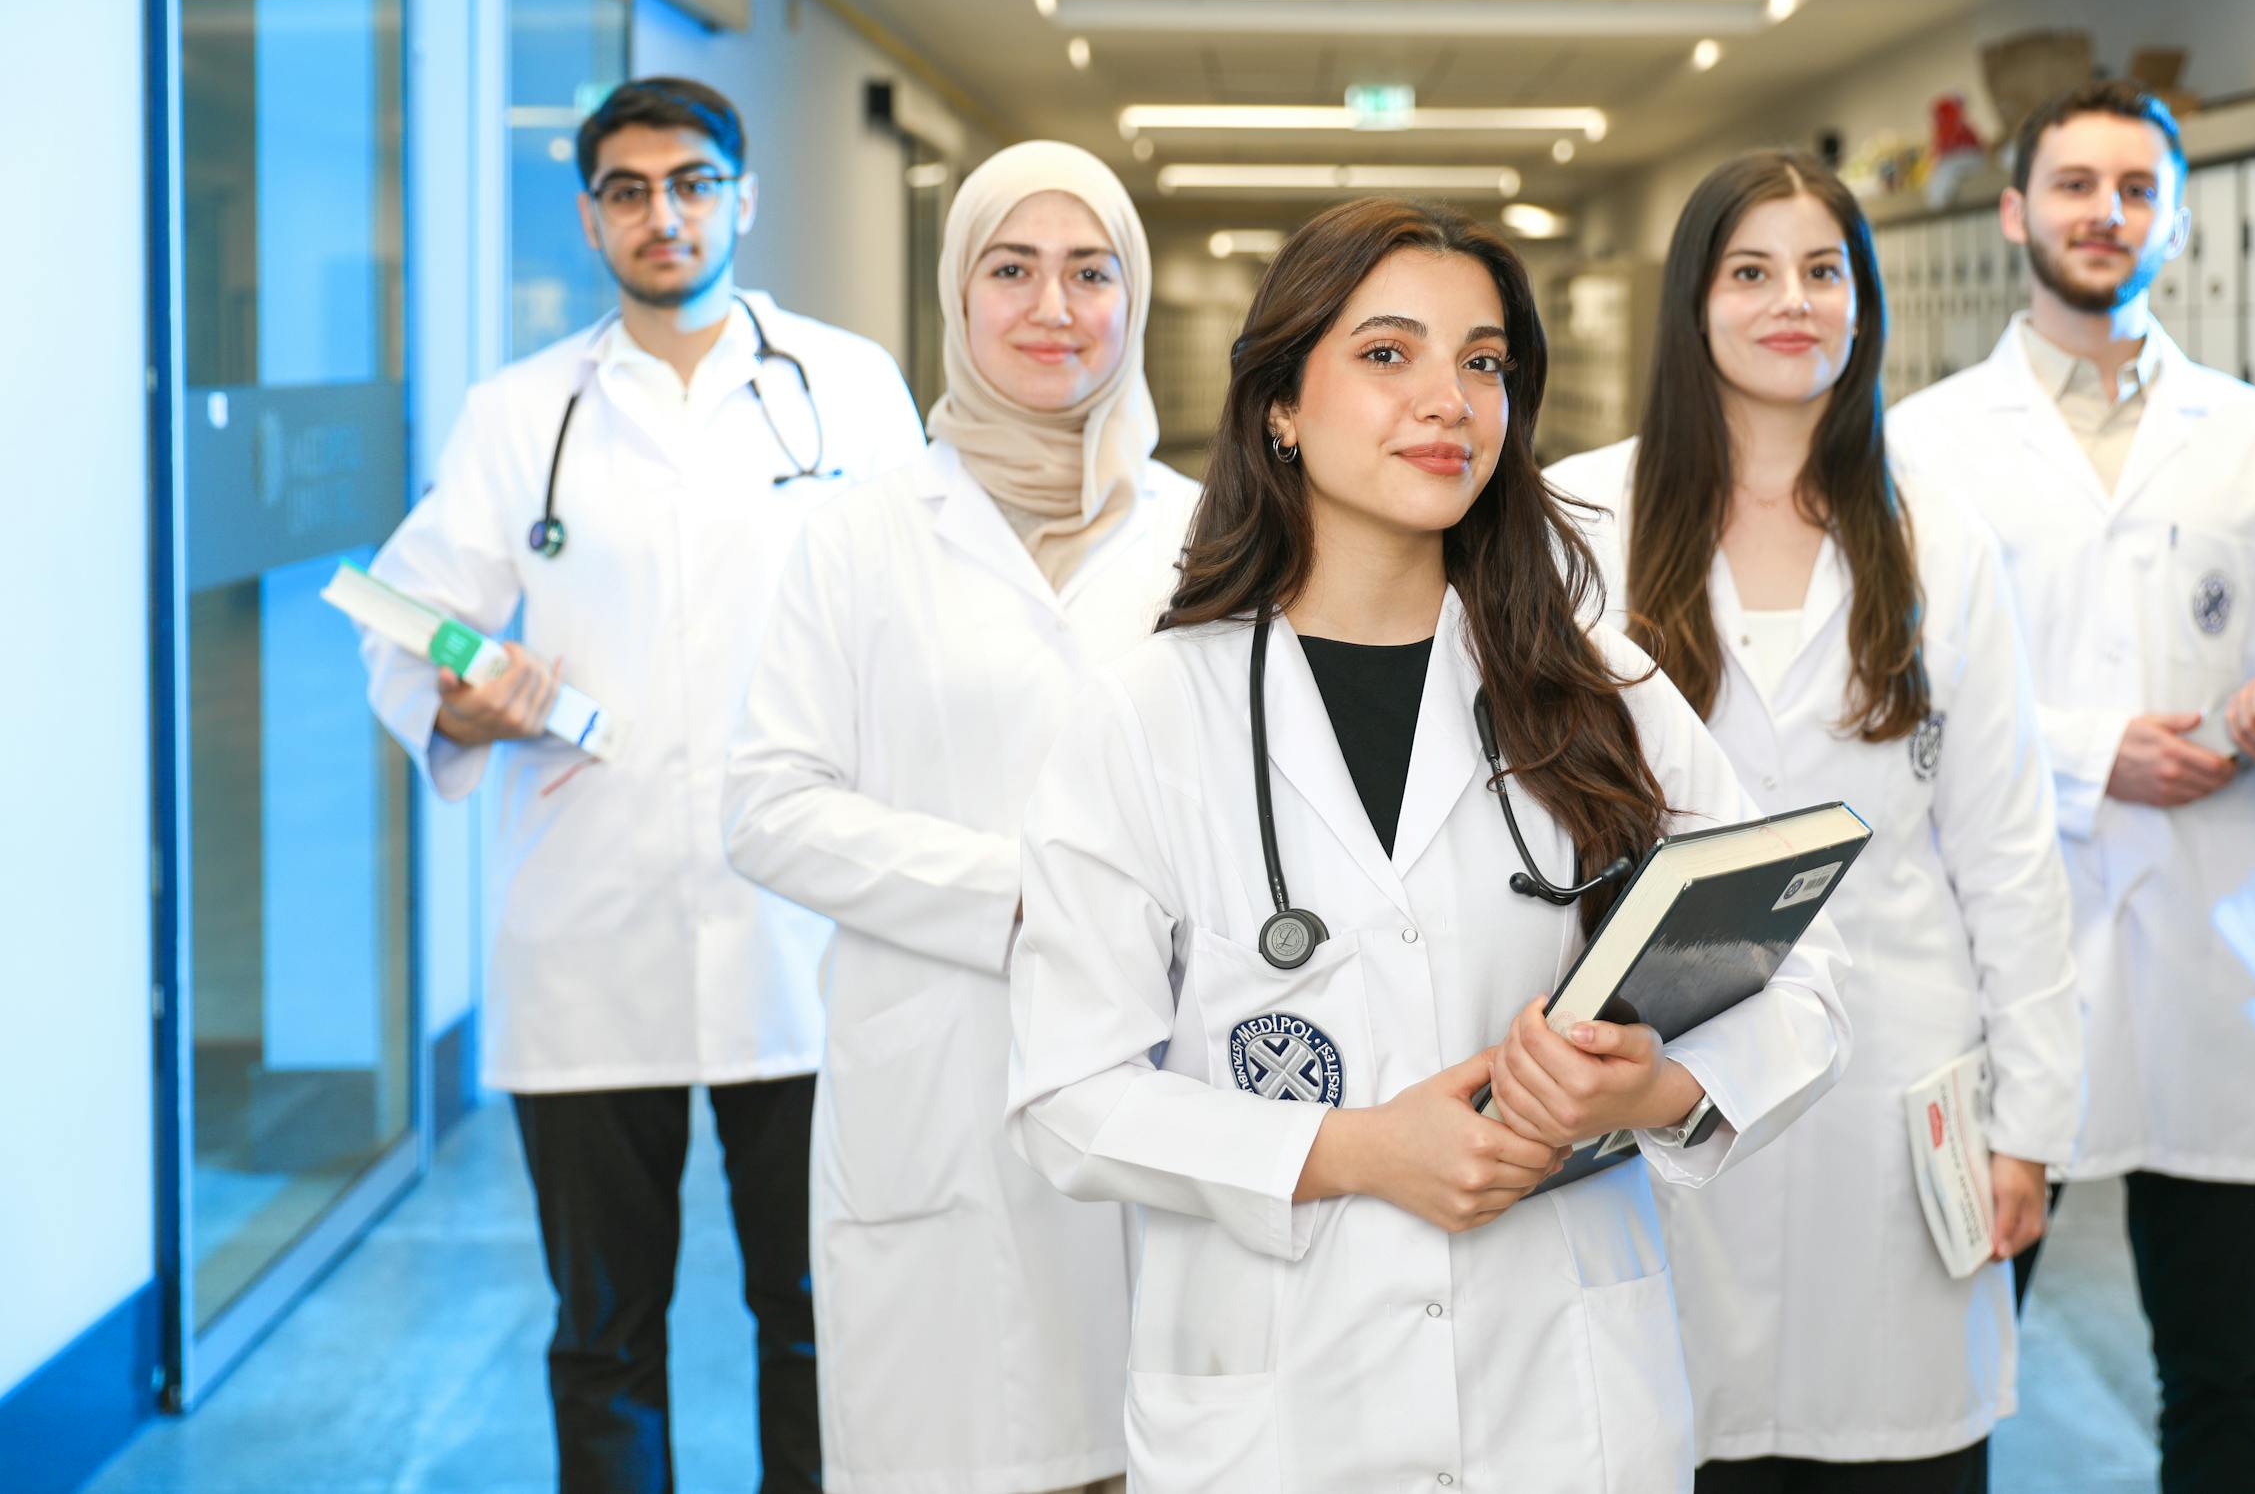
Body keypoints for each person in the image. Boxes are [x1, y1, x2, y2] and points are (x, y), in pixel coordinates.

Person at [1002, 197, 1854, 1494]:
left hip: (1563, 1402)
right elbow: (1068, 1096)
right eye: (1388, 354)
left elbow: (1803, 973)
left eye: (1484, 361)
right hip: (1282, 1416)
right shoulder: (1149, 717)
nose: (1449, 400)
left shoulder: (1600, 690)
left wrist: (1654, 1091)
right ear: (1280, 406)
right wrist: (1355, 1151)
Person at [355, 76, 922, 1494]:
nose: (663, 214)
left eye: (691, 183)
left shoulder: (846, 387)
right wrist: (465, 700)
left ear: (743, 197)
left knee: (820, 1316)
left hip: (806, 938)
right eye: (628, 190)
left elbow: (924, 621)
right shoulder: (519, 414)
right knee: (604, 1333)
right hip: (587, 930)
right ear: (592, 216)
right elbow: (411, 627)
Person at [1889, 80, 2255, 1494]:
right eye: (2076, 185)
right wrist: (2089, 751)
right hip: (2004, 965)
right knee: (1943, 1365)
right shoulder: (1925, 444)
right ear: (2016, 213)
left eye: (2137, 190)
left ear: (2175, 220)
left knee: (2227, 1367)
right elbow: (1887, 699)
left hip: (2210, 955)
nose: (2105, 213)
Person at [1546, 151, 2081, 1494]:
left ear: (1863, 300)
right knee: (1680, 1443)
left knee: (1897, 1449)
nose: (1792, 300)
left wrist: (2032, 1122)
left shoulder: (1938, 532)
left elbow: (2007, 852)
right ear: (1694, 301)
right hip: (1664, 1074)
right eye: (1752, 271)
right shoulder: (1583, 520)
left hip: (1896, 1073)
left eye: (1823, 270)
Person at [724, 140, 1197, 1494]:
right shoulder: (860, 536)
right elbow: (768, 808)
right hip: (936, 1074)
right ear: (958, 294)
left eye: (1090, 272)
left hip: (1164, 1062)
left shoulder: (1213, 533)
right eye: (1012, 270)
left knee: (1152, 1442)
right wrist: (1027, 893)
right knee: (953, 1446)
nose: (1054, 307)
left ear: (1132, 295)